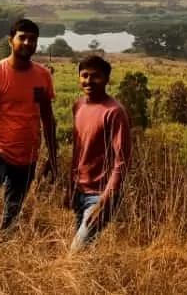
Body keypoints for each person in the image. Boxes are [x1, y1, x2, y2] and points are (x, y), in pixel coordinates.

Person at [0, 18, 58, 230]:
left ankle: (2, 253)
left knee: (13, 211)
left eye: (32, 39)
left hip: (28, 156)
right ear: (10, 41)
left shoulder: (42, 76)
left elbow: (48, 120)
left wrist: (53, 158)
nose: (27, 43)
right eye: (22, 38)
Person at [66, 55, 131, 252]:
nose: (89, 81)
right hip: (80, 191)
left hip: (100, 195)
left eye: (96, 76)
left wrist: (105, 200)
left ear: (106, 79)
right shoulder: (78, 106)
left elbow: (122, 161)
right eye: (84, 75)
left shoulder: (114, 112)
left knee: (75, 254)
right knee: (85, 254)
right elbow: (78, 151)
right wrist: (70, 186)